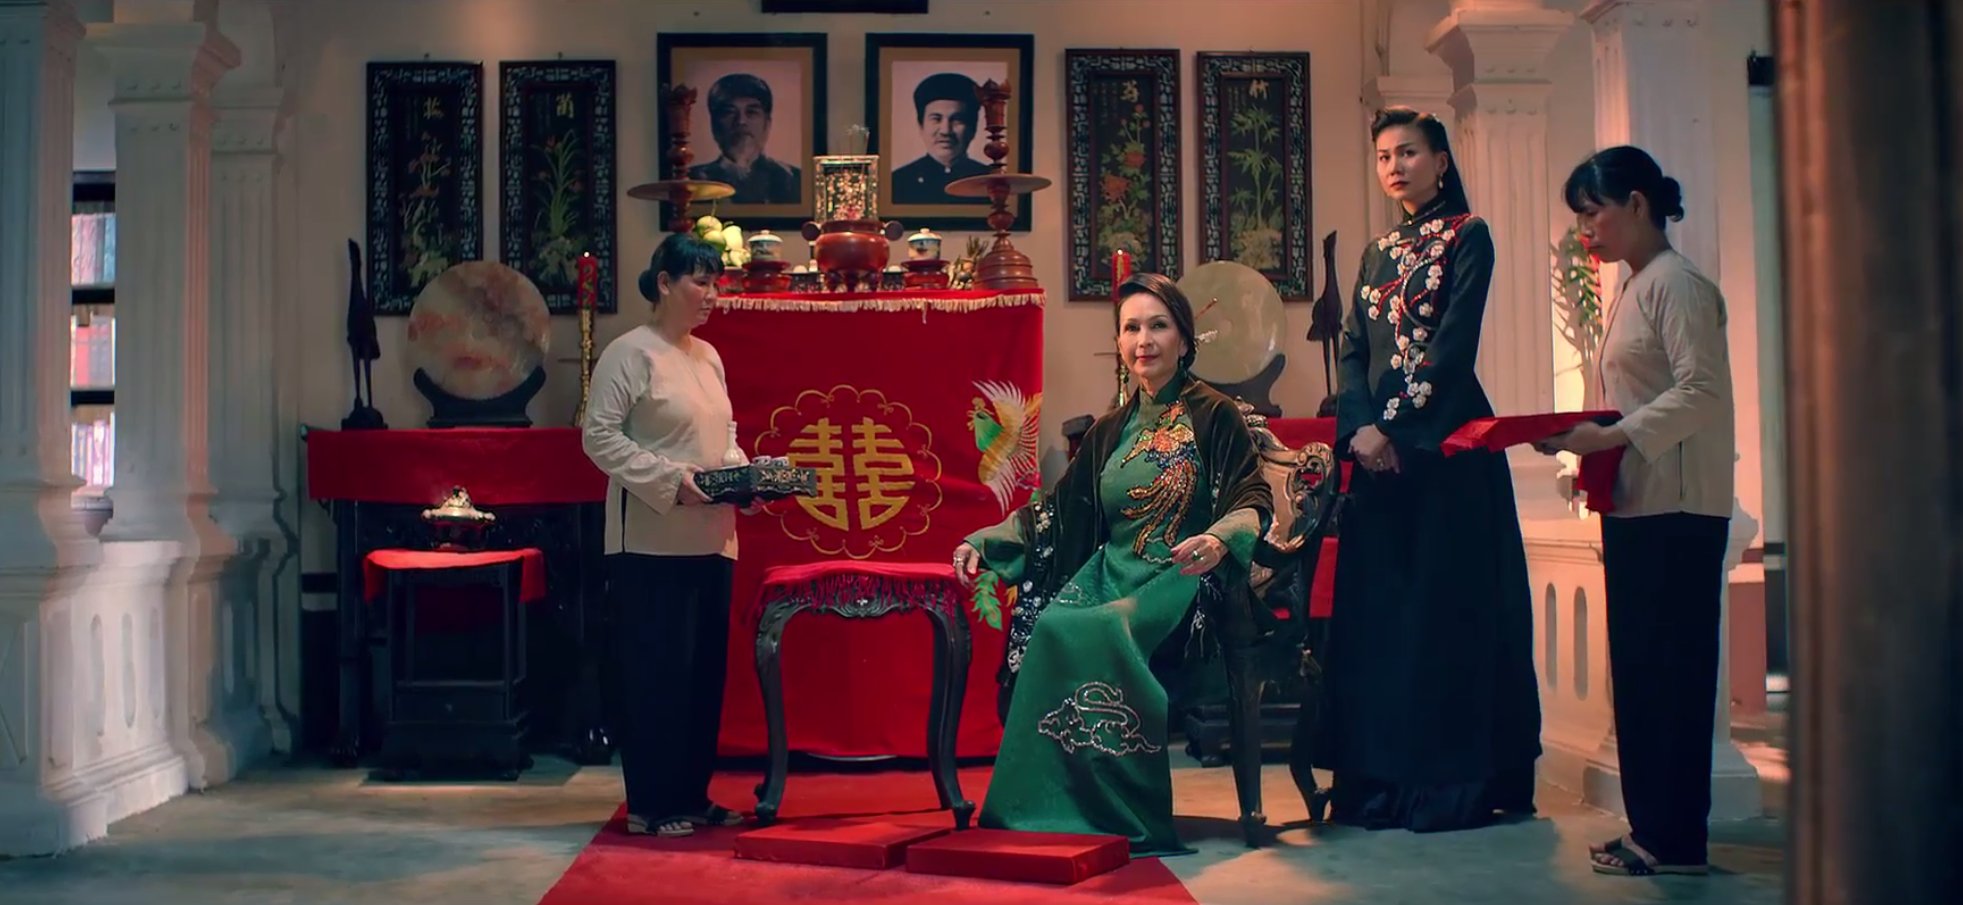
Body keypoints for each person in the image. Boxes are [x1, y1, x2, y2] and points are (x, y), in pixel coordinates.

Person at [952, 272, 1272, 856]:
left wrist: (1220, 539)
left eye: (1158, 326)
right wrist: (988, 542)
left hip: (1180, 576)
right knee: (1054, 624)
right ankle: (1050, 807)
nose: (1144, 340)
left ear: (1184, 339)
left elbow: (1253, 496)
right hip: (1112, 570)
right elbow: (1054, 512)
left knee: (1105, 626)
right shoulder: (1111, 428)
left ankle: (1124, 812)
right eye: (1131, 328)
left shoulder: (1215, 413)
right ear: (1120, 342)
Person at [1320, 106, 1541, 832]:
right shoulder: (1376, 251)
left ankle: (1446, 785)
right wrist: (1359, 430)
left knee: (1441, 615)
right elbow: (1353, 348)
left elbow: (1452, 345)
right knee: (1380, 619)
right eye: (1384, 155)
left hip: (1445, 453)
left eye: (1409, 152)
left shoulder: (1469, 235)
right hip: (1374, 460)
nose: (1395, 166)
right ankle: (1377, 782)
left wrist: (1394, 430)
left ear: (1440, 161)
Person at [1537, 145, 1734, 877]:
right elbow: (1637, 397)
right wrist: (1580, 435)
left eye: (1593, 213)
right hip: (1638, 503)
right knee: (1644, 674)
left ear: (1638, 205)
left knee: (1672, 674)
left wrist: (1609, 435)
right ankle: (1652, 828)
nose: (1584, 229)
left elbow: (1700, 391)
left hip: (1677, 508)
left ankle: (1676, 840)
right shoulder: (1634, 284)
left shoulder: (1677, 284)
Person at [581, 233, 754, 838]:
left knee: (703, 676)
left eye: (716, 283)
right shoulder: (629, 353)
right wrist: (669, 480)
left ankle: (692, 795)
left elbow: (724, 438)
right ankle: (651, 805)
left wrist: (745, 480)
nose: (712, 295)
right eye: (700, 282)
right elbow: (598, 436)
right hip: (651, 541)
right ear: (664, 283)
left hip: (713, 537)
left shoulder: (708, 356)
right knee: (656, 675)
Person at [687, 73, 802, 205]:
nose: (741, 121)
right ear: (714, 125)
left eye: (751, 112)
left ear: (767, 123)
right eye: (729, 112)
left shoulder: (795, 180)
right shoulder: (692, 182)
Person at [891, 72, 989, 205]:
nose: (945, 131)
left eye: (957, 119)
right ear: (921, 126)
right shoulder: (897, 182)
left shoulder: (991, 182)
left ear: (973, 128)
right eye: (936, 119)